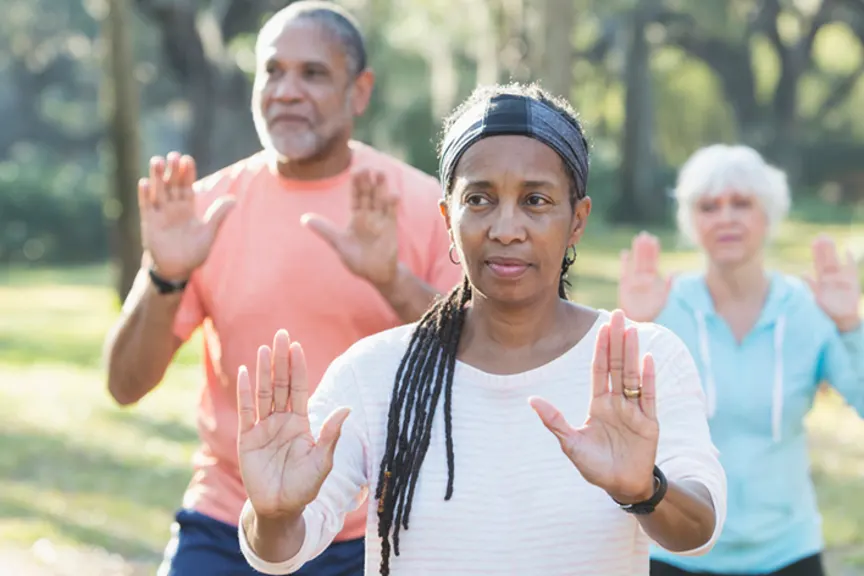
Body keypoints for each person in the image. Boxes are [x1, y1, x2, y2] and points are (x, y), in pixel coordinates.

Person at [233, 83, 727, 576]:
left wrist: (644, 490)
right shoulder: (375, 373)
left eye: (536, 200)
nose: (506, 228)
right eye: (480, 199)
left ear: (577, 221)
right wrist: (274, 514)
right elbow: (280, 551)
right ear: (448, 218)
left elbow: (698, 530)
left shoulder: (641, 360)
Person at [102, 3, 461, 575]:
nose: (287, 91)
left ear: (359, 90)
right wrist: (164, 275)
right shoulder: (207, 212)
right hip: (229, 520)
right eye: (272, 71)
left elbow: (478, 365)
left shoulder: (419, 207)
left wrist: (391, 281)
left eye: (313, 73)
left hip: (376, 530)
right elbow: (124, 385)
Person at [617, 144, 864, 576]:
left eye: (742, 203)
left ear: (767, 213)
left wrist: (849, 325)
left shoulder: (807, 310)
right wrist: (634, 328)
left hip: (787, 551)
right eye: (709, 206)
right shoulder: (663, 311)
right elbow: (617, 425)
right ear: (692, 221)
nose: (726, 217)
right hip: (675, 545)